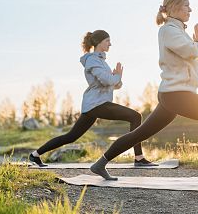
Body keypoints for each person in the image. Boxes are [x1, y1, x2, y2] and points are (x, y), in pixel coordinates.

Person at [90, 0, 198, 188]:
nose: (190, 9)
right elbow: (190, 51)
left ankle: (100, 164)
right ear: (173, 8)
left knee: (140, 133)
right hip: (177, 94)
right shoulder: (168, 31)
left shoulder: (178, 30)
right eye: (186, 5)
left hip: (173, 94)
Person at [29, 30, 156, 175]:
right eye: (108, 40)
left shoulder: (101, 61)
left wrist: (116, 78)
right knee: (135, 116)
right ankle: (138, 157)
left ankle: (35, 155)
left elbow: (114, 85)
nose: (110, 44)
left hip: (96, 104)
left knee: (71, 136)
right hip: (97, 103)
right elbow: (106, 81)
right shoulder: (92, 60)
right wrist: (116, 77)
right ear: (99, 42)